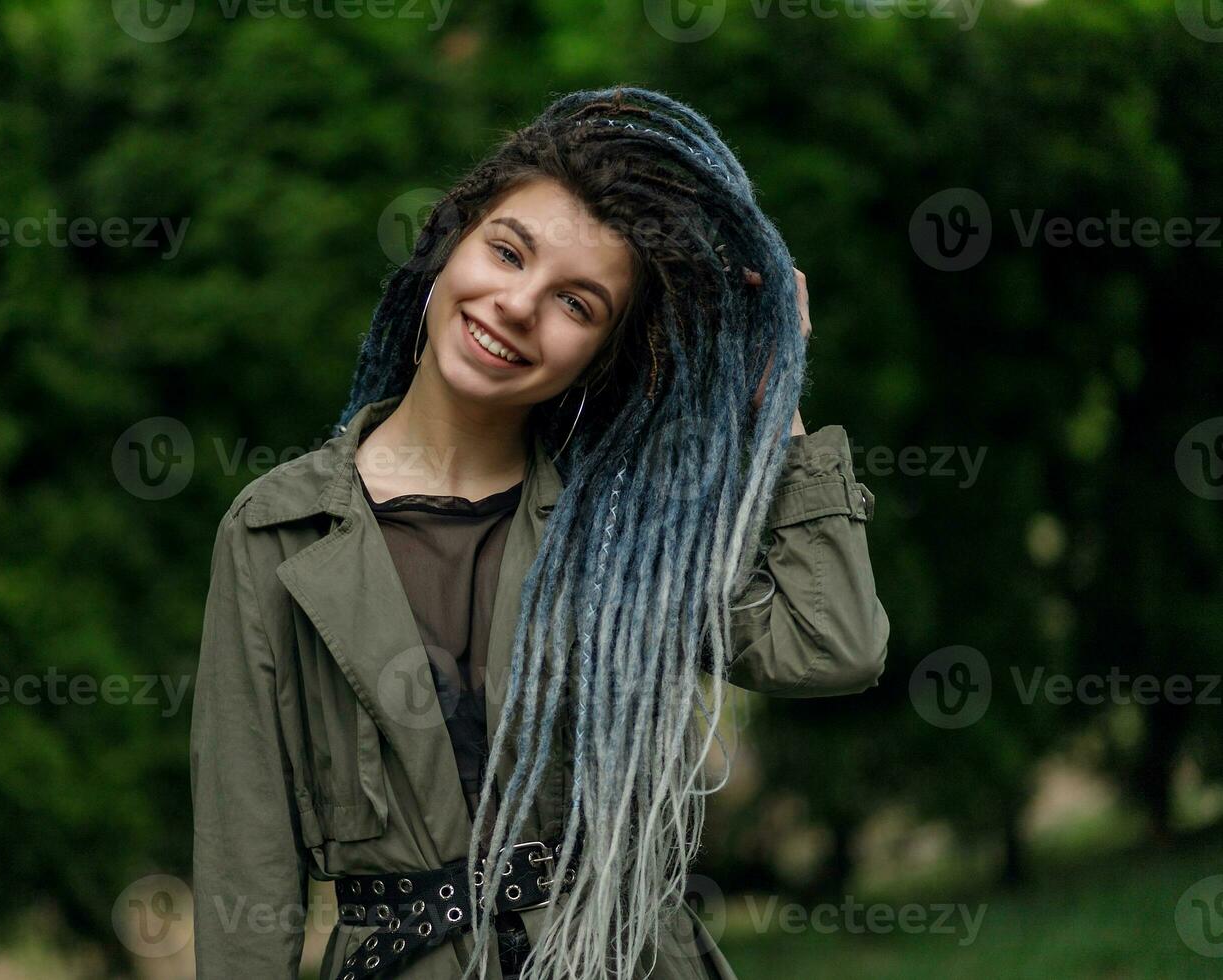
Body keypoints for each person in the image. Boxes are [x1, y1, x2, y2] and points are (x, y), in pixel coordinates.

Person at [191, 85, 889, 980]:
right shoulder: (273, 534)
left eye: (577, 304)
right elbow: (245, 866)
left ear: (604, 352)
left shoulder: (630, 527)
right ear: (450, 242)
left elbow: (833, 644)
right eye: (507, 252)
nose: (518, 305)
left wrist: (772, 392)